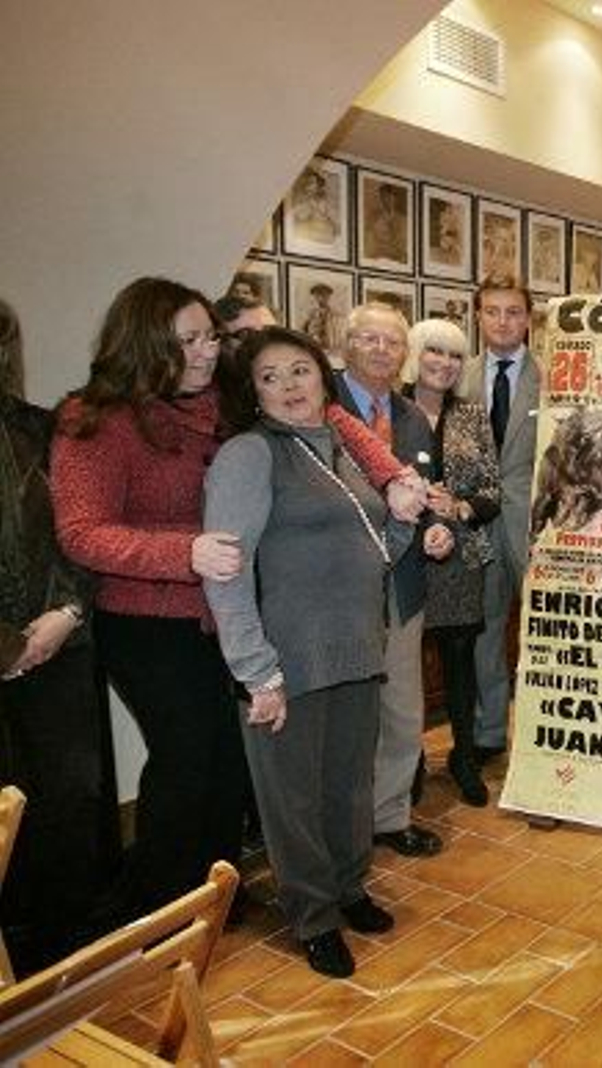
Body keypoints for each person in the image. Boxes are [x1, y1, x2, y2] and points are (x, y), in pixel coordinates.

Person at [51, 277, 410, 926]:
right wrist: (182, 551)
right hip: (149, 621)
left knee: (230, 766)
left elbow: (338, 424)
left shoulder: (221, 399)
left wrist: (396, 480)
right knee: (189, 764)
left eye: (209, 337)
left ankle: (213, 891)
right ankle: (155, 916)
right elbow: (81, 533)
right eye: (186, 341)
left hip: (224, 609)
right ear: (144, 343)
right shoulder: (96, 418)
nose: (206, 352)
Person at [205, 326, 414, 978]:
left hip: (358, 650)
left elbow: (379, 556)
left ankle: (349, 887)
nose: (290, 385)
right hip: (286, 662)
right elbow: (226, 571)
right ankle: (314, 916)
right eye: (270, 376)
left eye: (300, 369)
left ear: (322, 376)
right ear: (251, 392)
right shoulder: (249, 454)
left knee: (349, 786)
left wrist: (404, 519)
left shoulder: (343, 449)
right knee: (292, 799)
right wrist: (255, 671)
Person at [0, 299, 118, 974]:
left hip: (59, 646)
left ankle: (67, 957)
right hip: (14, 649)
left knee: (70, 799)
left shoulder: (47, 430)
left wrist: (66, 613)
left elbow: (82, 530)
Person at [334, 303, 454, 857]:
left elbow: (426, 495)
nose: (382, 350)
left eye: (392, 342)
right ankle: (343, 823)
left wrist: (437, 529)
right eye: (369, 339)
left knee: (404, 709)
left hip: (401, 584)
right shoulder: (318, 406)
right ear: (346, 343)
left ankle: (390, 816)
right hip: (335, 586)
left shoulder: (410, 418)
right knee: (346, 714)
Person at [402, 318, 501, 807]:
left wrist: (460, 507)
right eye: (434, 351)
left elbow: (491, 491)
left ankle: (463, 757)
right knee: (404, 670)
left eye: (456, 355)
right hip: (402, 554)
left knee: (459, 665)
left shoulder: (472, 415)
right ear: (415, 353)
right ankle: (409, 763)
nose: (444, 363)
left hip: (461, 558)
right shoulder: (391, 408)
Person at [458, 275, 542, 811]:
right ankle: (490, 734)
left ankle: (541, 734)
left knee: (543, 633)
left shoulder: (554, 377)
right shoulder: (458, 377)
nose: (503, 322)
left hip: (537, 527)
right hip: (476, 528)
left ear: (528, 319)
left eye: (513, 312)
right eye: (492, 312)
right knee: (484, 635)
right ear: (479, 318)